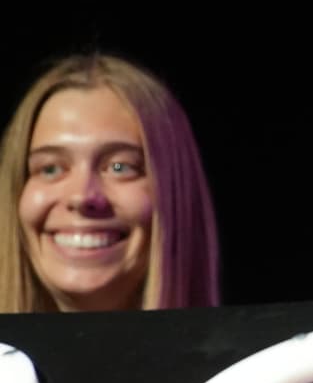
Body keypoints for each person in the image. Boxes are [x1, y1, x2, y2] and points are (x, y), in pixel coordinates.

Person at [1, 51, 220, 313]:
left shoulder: (269, 354)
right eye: (50, 169)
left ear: (175, 195)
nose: (82, 197)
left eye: (120, 167)